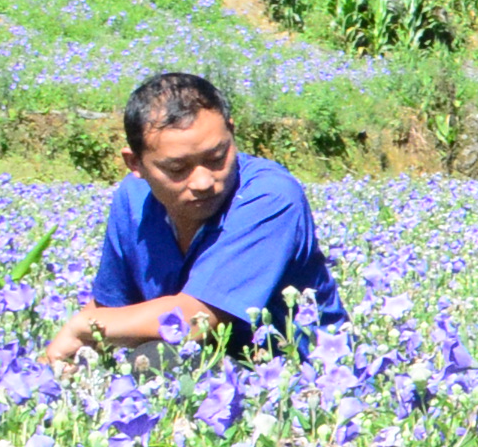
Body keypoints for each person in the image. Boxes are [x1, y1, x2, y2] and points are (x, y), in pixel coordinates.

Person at [41, 70, 346, 364]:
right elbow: (113, 305)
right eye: (177, 168)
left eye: (217, 158)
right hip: (199, 367)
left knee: (159, 359)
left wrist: (84, 326)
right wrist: (51, 363)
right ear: (135, 164)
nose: (203, 182)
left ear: (232, 133)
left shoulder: (270, 196)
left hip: (298, 377)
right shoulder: (133, 200)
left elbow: (197, 319)